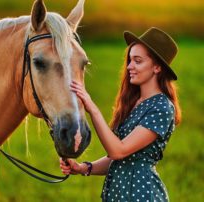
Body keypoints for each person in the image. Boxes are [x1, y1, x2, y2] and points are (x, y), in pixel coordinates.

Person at [60, 27, 182, 202]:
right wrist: (83, 168)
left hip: (141, 194)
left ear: (157, 67)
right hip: (117, 194)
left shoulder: (162, 107)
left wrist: (92, 109)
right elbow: (119, 161)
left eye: (137, 61)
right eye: (130, 60)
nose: (129, 66)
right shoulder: (132, 102)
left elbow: (119, 151)